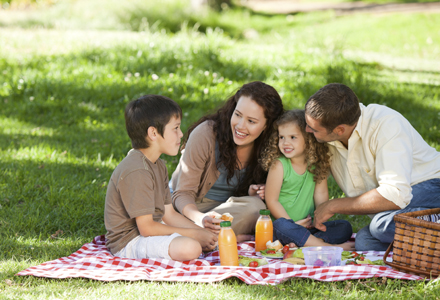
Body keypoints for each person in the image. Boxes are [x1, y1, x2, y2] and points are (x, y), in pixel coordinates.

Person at [304, 83, 440, 251]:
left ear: (339, 130)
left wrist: (333, 205)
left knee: (381, 225)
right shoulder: (329, 137)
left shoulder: (386, 125)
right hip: (397, 207)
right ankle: (429, 241)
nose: (306, 130)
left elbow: (395, 194)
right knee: (365, 242)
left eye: (313, 129)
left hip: (432, 186)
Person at [104, 95, 217, 261]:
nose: (181, 134)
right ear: (153, 133)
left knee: (203, 239)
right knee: (191, 247)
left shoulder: (158, 165)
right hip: (129, 242)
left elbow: (169, 214)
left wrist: (201, 232)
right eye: (175, 128)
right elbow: (146, 228)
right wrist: (194, 234)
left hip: (150, 231)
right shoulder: (137, 170)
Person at [170, 81, 284, 242]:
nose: (240, 126)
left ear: (267, 125)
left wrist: (257, 192)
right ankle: (223, 238)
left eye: (251, 121)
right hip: (188, 208)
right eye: (237, 115)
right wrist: (200, 219)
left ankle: (203, 238)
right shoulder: (206, 134)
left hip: (227, 212)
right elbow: (182, 193)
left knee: (256, 208)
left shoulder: (273, 148)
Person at [260, 109, 354, 250]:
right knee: (281, 226)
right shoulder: (279, 165)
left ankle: (308, 243)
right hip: (284, 229)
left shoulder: (317, 165)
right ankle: (327, 247)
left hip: (308, 228)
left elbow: (321, 195)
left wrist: (319, 220)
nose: (285, 142)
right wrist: (292, 224)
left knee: (344, 227)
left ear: (308, 139)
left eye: (292, 137)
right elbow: (271, 200)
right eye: (281, 137)